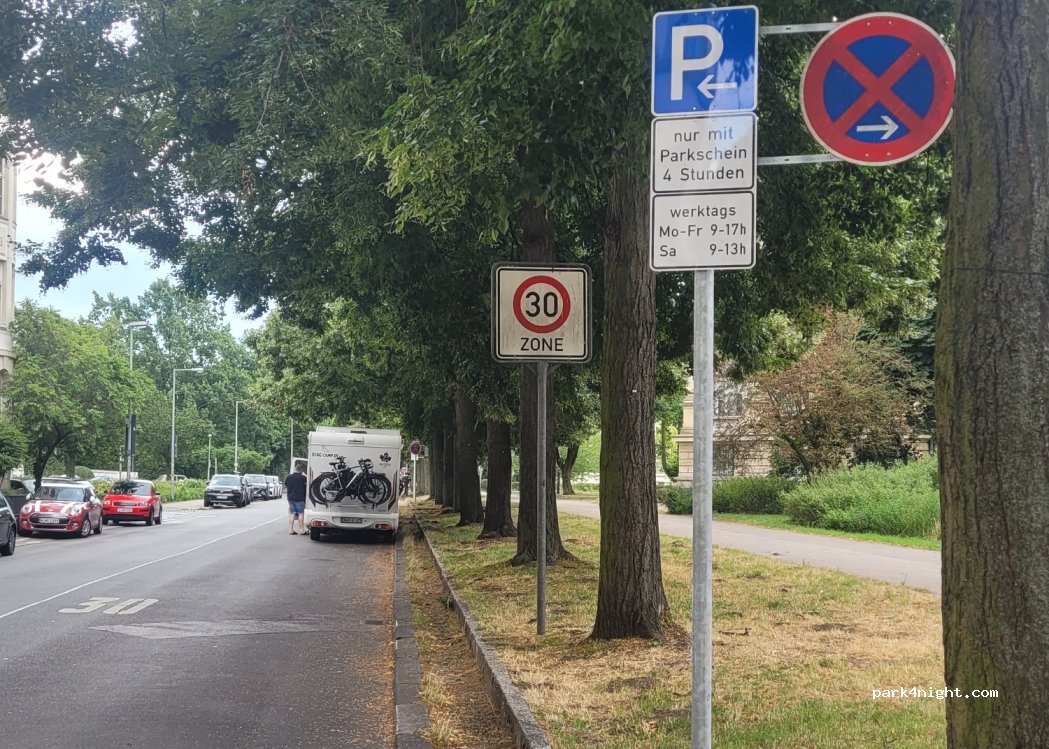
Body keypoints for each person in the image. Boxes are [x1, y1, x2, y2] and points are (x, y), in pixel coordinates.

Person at [284, 461, 308, 535]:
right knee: (300, 514)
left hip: (290, 498)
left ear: (295, 469)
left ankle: (291, 530)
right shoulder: (303, 478)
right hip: (300, 498)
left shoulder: (288, 477)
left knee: (292, 513)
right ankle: (302, 530)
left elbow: (286, 485)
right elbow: (307, 486)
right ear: (301, 470)